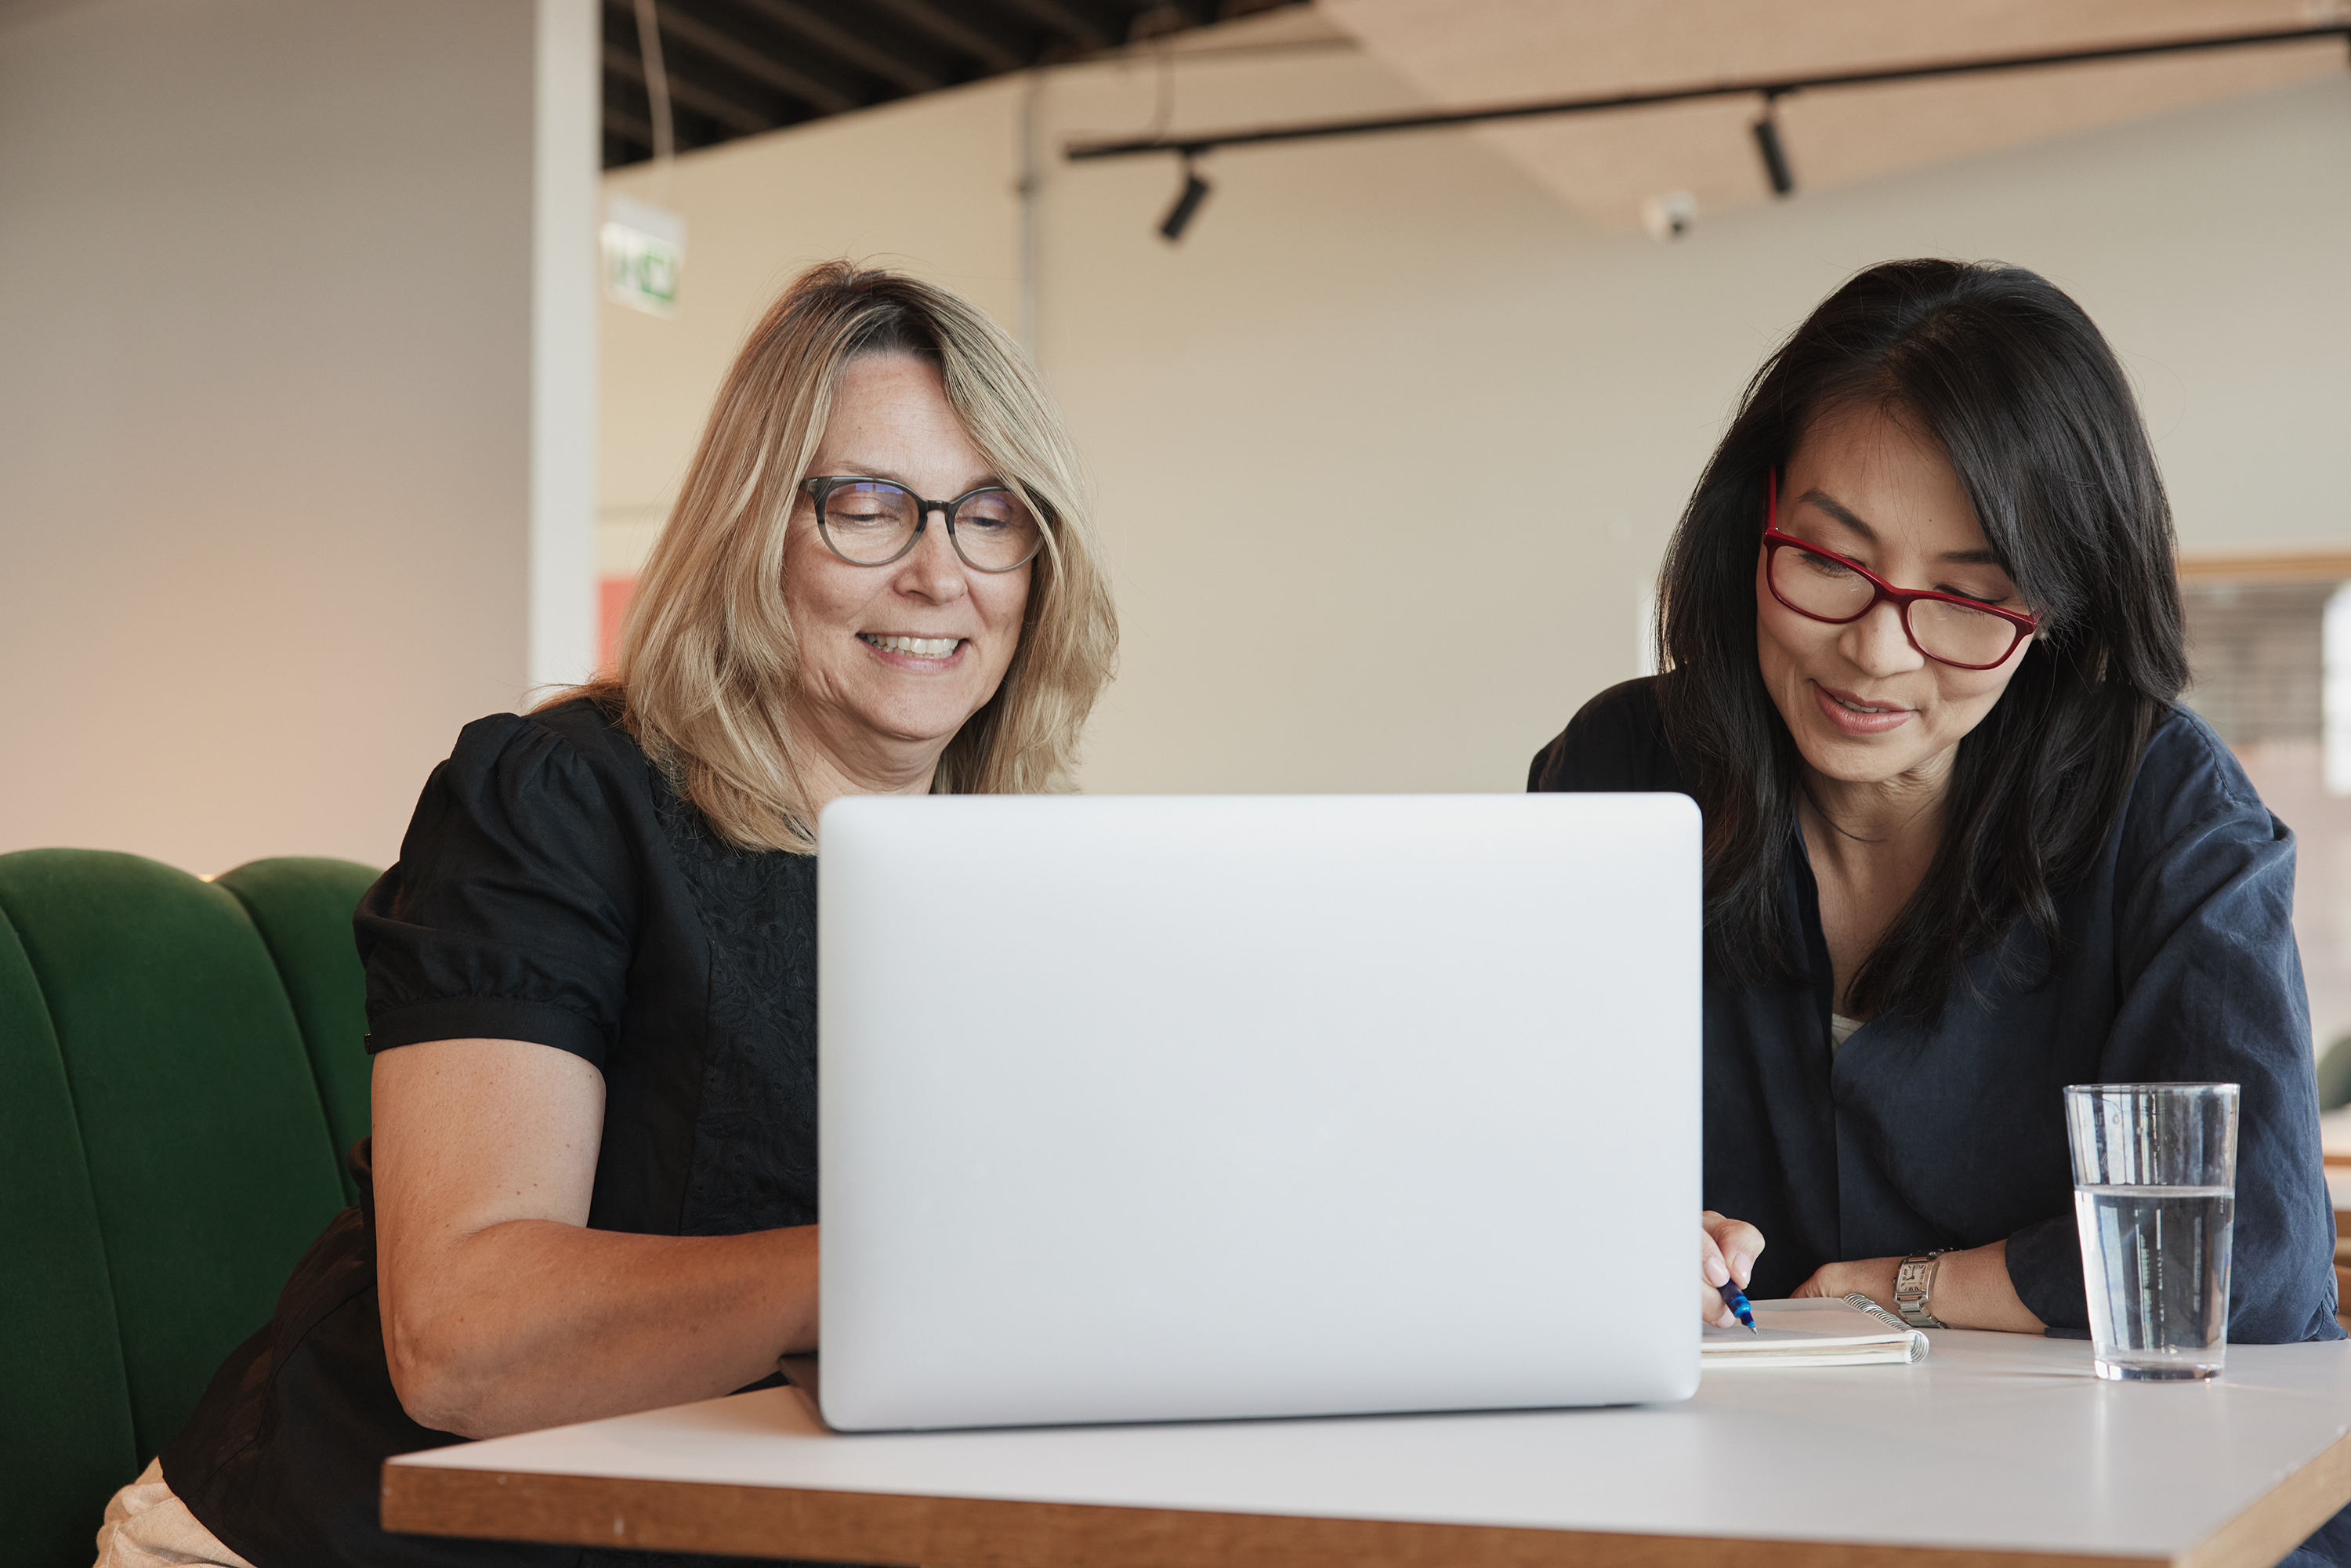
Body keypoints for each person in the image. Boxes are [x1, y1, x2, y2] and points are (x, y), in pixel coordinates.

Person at [97, 263, 1118, 1568]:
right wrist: (885, 1272)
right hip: (348, 1534)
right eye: (867, 505)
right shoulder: (562, 796)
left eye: (990, 514)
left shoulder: (1021, 873)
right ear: (755, 528)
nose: (939, 570)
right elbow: (464, 1337)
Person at [1530, 258, 2347, 1563]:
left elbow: (2248, 1248)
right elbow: (1501, 1155)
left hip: (2130, 1516)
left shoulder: (2163, 802)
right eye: (1827, 561)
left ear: (2055, 612)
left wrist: (1907, 1289)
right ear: (1754, 528)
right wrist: (1588, 1230)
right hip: (1731, 1510)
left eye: (1965, 596)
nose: (1877, 647)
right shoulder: (1624, 772)